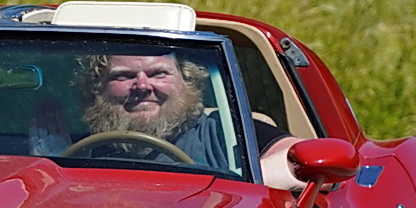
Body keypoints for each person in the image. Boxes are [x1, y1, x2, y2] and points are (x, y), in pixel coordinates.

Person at [78, 52, 302, 186]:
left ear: (187, 82)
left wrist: (231, 186)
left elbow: (301, 157)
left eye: (159, 74)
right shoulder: (72, 149)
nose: (143, 86)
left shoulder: (225, 131)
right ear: (97, 89)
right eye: (123, 76)